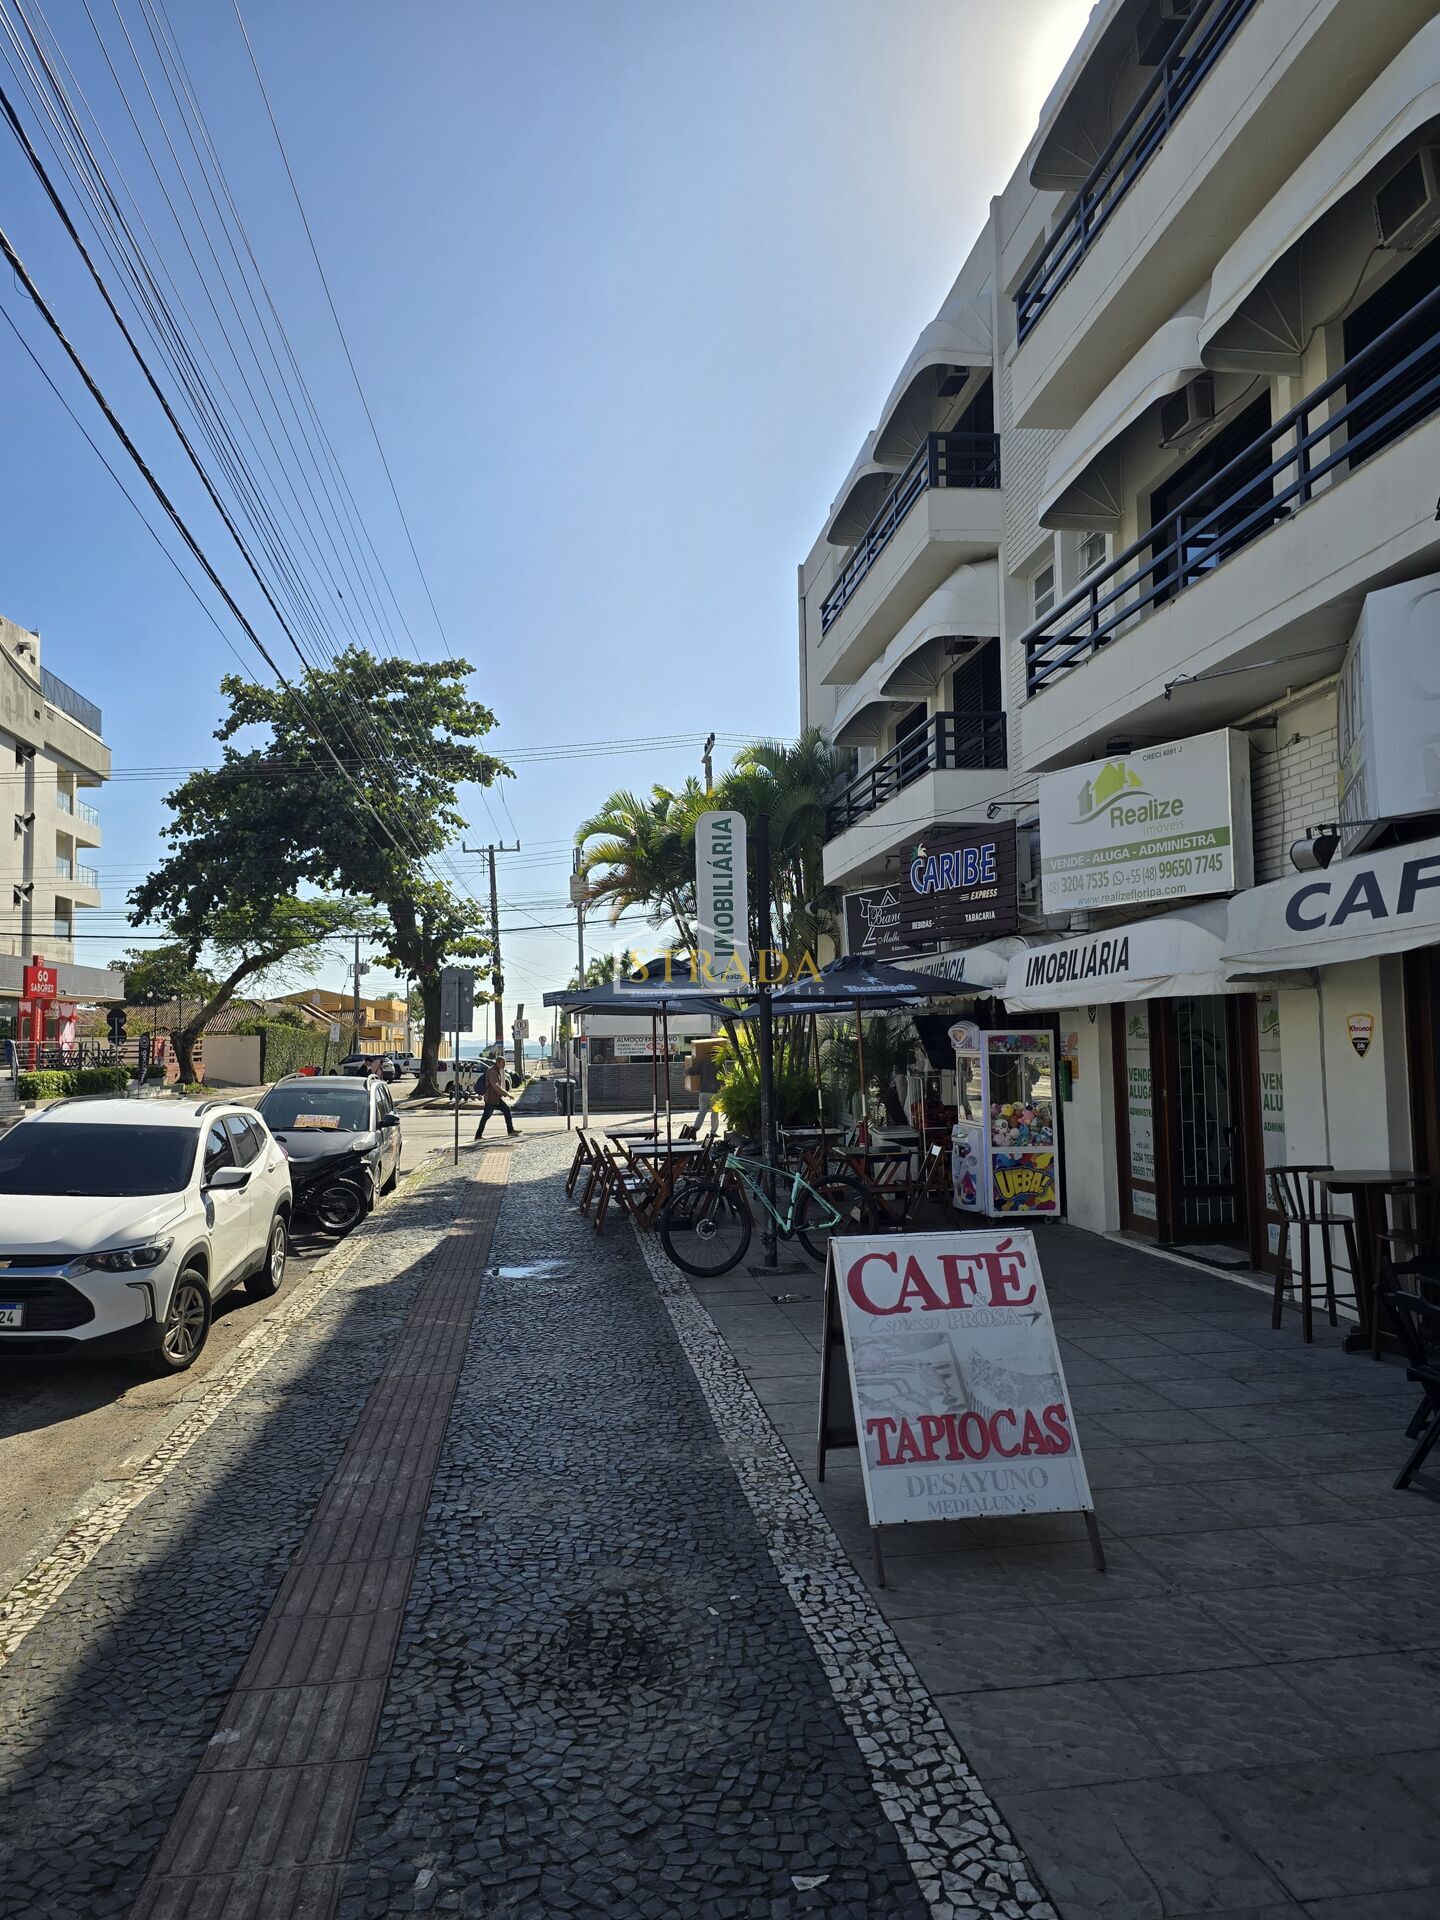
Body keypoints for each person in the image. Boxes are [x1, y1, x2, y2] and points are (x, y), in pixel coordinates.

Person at [474, 1055, 515, 1139]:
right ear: (498, 1062)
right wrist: (507, 1094)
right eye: (503, 1063)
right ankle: (478, 1135)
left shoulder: (496, 1070)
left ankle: (510, 1130)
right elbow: (495, 1086)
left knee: (507, 1109)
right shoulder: (492, 1071)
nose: (504, 1065)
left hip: (496, 1098)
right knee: (486, 1117)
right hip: (491, 1099)